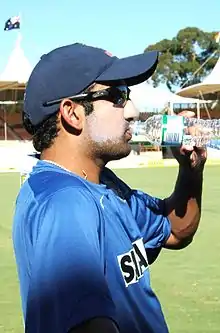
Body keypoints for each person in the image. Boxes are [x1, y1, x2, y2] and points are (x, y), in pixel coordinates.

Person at [12, 43, 207, 333]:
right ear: (72, 113)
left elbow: (176, 231)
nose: (133, 111)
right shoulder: (66, 202)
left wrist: (191, 171)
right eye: (117, 96)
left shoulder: (102, 185)